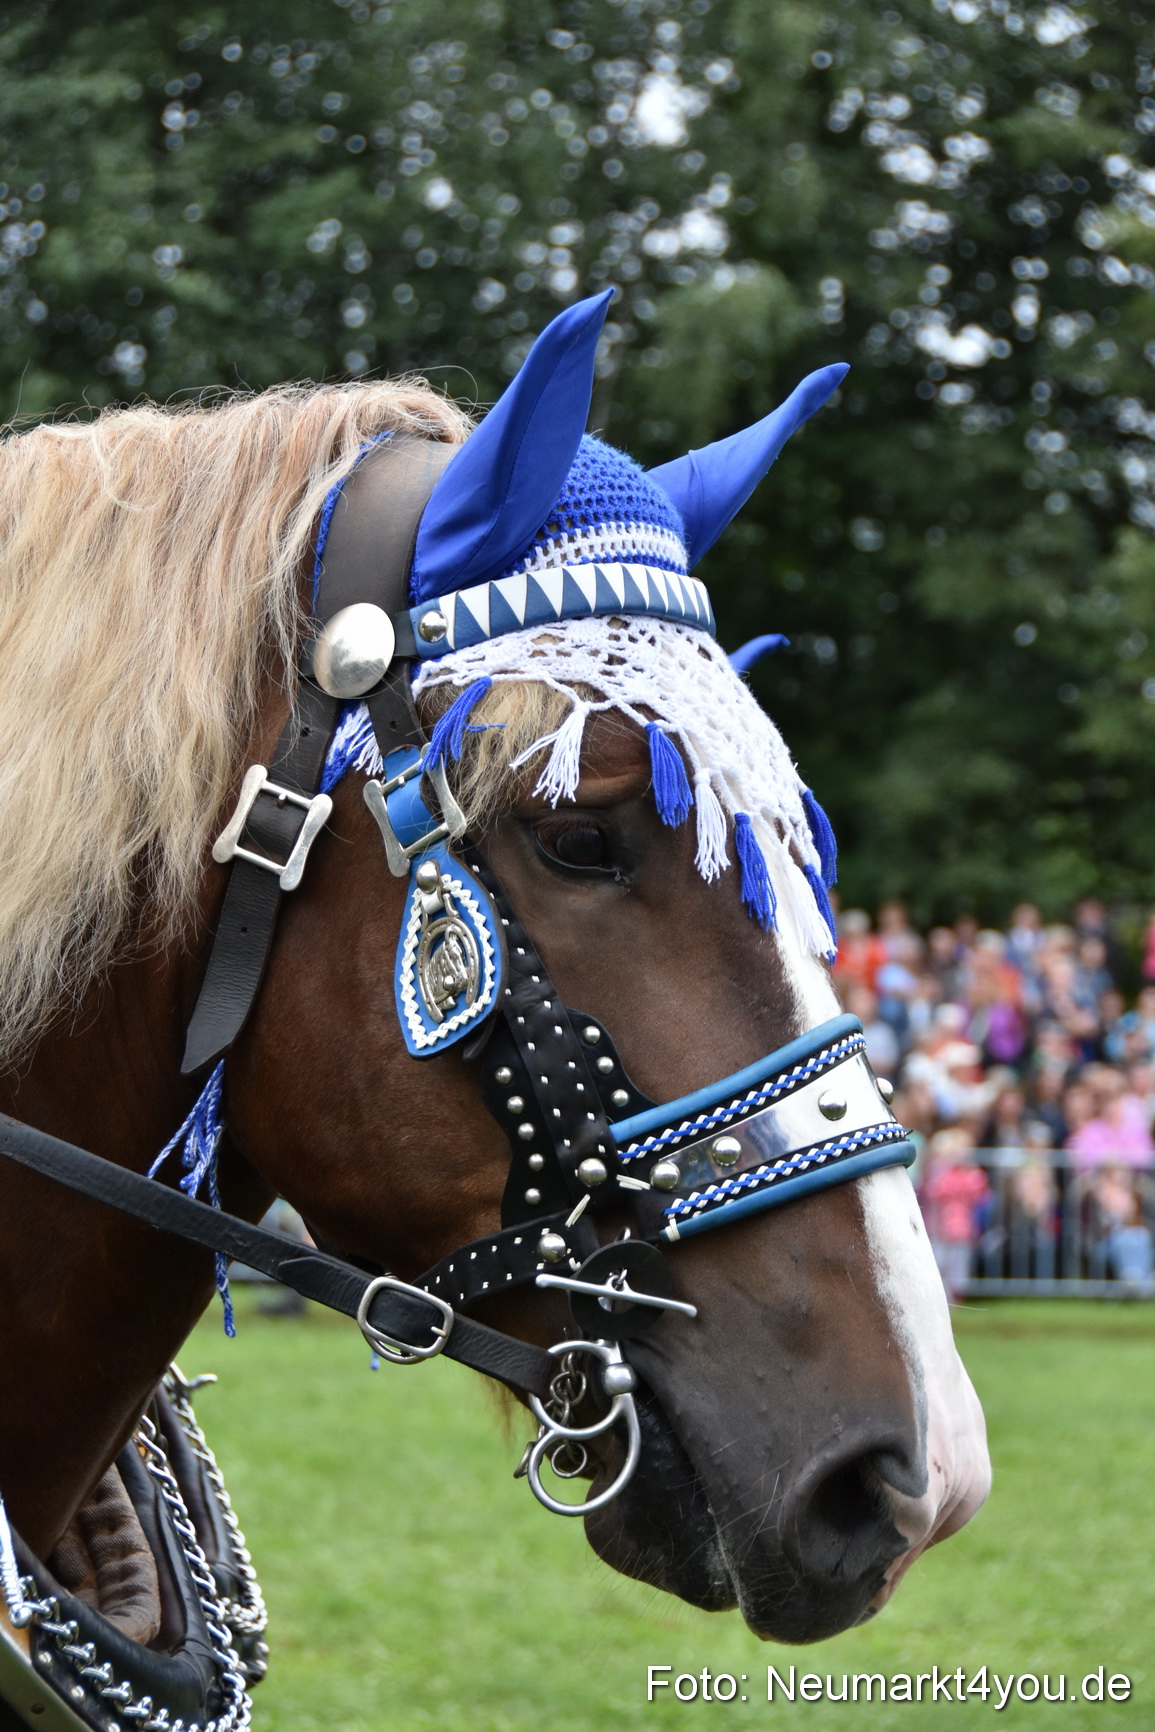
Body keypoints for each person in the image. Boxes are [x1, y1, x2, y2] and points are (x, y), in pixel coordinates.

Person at [920, 1128, 990, 1303]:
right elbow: (934, 1190)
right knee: (939, 1263)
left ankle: (956, 1297)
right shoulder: (936, 1172)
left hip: (962, 1228)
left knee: (958, 1264)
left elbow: (979, 1191)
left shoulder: (971, 1174)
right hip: (938, 1227)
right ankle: (941, 1298)